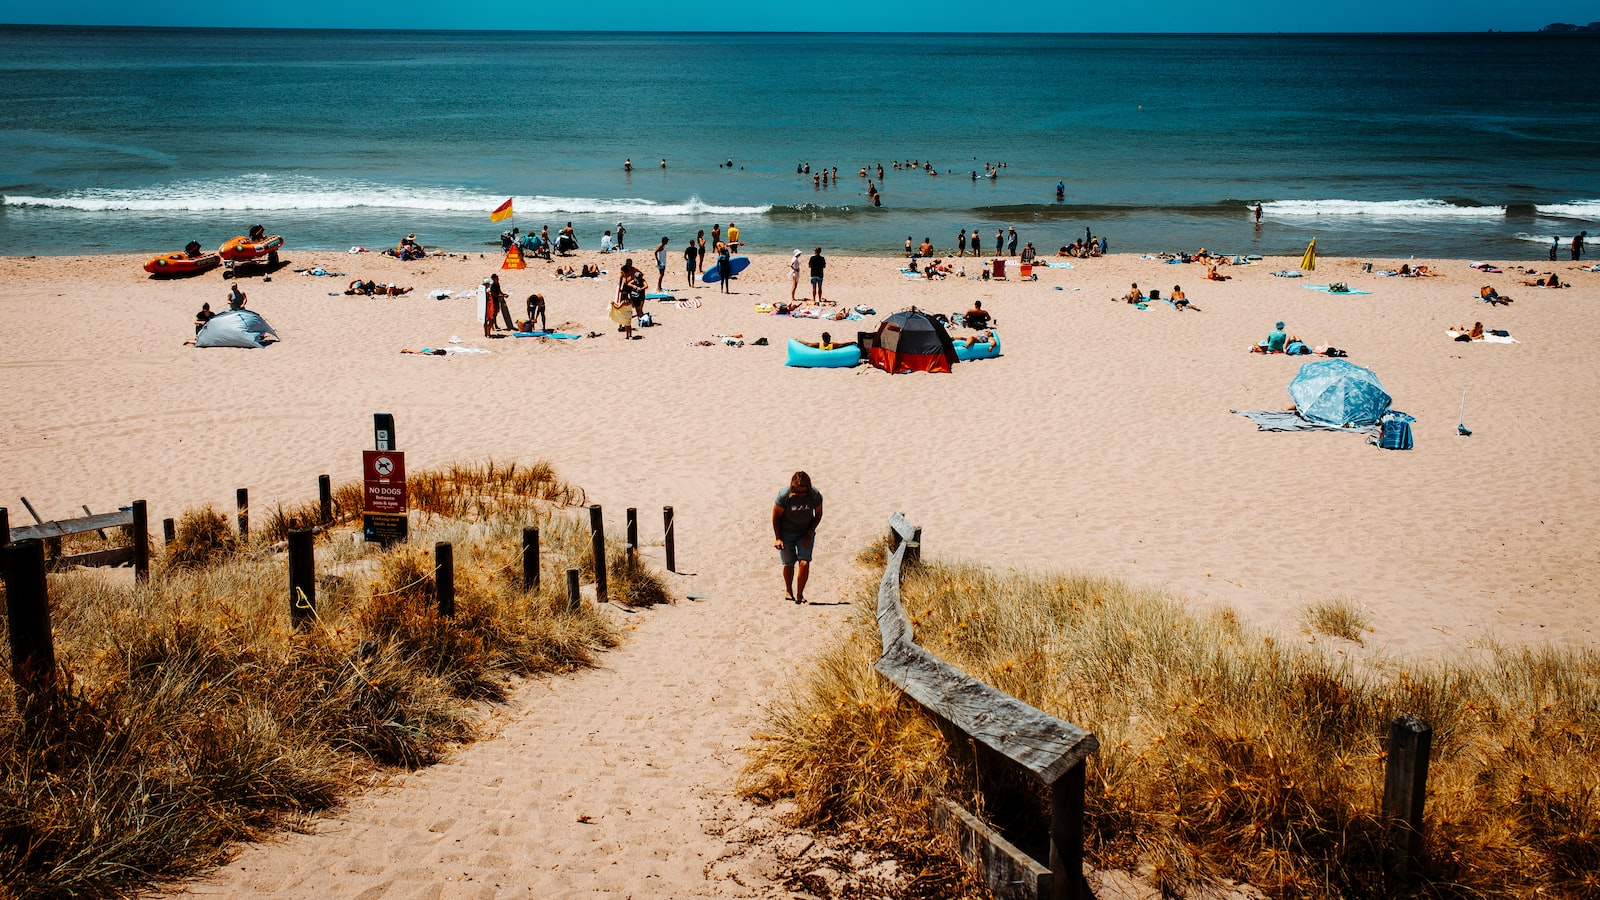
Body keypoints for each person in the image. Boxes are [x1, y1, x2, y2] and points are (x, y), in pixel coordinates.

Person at [771, 471, 823, 604]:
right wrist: (778, 538)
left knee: (804, 563)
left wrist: (810, 532)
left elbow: (818, 513)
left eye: (803, 492)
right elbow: (776, 516)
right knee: (788, 564)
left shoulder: (814, 495)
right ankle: (788, 590)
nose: (800, 495)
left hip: (805, 532)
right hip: (786, 533)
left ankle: (800, 594)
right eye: (798, 492)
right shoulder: (784, 495)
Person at [613, 259, 642, 339]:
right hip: (625, 287)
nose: (629, 265)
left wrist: (636, 281)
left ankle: (638, 318)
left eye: (630, 263)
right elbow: (620, 278)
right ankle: (621, 325)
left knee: (634, 302)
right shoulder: (623, 269)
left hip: (631, 286)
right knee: (622, 304)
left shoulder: (634, 269)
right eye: (628, 263)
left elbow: (641, 274)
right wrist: (619, 287)